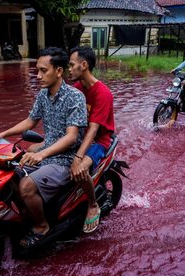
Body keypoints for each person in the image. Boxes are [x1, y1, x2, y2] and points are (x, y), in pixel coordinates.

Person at [0, 47, 87, 247]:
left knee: (26, 186)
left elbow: (72, 137)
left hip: (66, 158)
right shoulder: (43, 95)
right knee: (9, 175)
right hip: (46, 152)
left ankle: (41, 226)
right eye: (37, 70)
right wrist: (1, 135)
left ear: (59, 71)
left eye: (43, 70)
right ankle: (29, 213)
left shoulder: (75, 97)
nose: (38, 76)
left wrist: (41, 153)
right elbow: (30, 121)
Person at [68, 46, 115, 233]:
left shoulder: (103, 93)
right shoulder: (77, 89)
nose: (69, 69)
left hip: (98, 142)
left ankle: (93, 203)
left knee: (79, 170)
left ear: (84, 65)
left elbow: (94, 130)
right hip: (80, 137)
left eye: (72, 65)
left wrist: (78, 158)